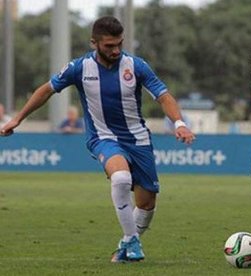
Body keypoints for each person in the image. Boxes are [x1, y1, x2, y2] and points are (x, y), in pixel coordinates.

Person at [0, 16, 195, 263]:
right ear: (94, 43)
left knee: (146, 205)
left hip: (138, 139)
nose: (115, 51)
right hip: (102, 137)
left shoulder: (136, 66)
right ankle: (133, 241)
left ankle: (125, 245)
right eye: (109, 46)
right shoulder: (79, 68)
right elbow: (46, 90)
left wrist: (179, 123)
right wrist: (18, 118)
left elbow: (164, 96)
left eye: (119, 45)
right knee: (121, 177)